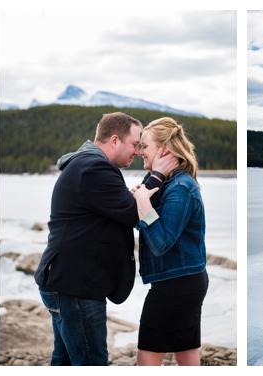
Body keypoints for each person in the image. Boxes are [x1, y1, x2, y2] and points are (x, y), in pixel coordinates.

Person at [34, 112, 178, 366]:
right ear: (114, 140)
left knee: (66, 361)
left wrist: (140, 190)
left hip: (67, 281)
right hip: (75, 285)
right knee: (92, 363)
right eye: (135, 144)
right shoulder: (93, 167)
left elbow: (120, 205)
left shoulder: (88, 166)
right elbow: (133, 213)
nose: (137, 152)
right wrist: (158, 175)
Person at [132, 117, 209, 366]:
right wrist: (148, 188)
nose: (139, 152)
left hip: (176, 286)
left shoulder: (180, 188)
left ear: (163, 149)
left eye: (145, 146)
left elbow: (161, 243)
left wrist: (143, 203)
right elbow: (142, 223)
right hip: (182, 281)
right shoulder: (166, 183)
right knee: (185, 352)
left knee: (147, 357)